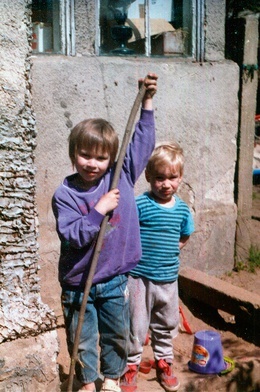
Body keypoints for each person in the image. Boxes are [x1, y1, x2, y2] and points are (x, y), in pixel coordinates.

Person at [52, 73, 158, 392]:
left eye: (101, 157)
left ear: (111, 157)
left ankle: (111, 378)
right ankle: (86, 382)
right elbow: (73, 235)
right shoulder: (64, 194)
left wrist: (147, 101)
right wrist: (99, 209)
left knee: (116, 334)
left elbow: (142, 142)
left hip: (113, 279)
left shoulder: (120, 175)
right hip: (78, 283)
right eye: (85, 155)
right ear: (74, 155)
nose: (93, 163)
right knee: (81, 338)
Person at [120, 142, 195, 392]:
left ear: (180, 178)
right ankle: (130, 366)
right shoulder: (140, 204)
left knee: (165, 323)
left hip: (168, 279)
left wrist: (173, 249)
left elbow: (185, 235)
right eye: (160, 178)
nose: (166, 184)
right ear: (148, 176)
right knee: (136, 325)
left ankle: (164, 362)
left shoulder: (182, 210)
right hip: (139, 278)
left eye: (172, 178)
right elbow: (126, 230)